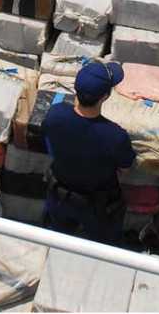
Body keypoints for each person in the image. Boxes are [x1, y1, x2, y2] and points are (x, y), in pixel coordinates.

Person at [41, 60, 135, 243]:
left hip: (60, 197)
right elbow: (125, 169)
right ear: (105, 96)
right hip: (97, 207)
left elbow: (49, 140)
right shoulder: (115, 136)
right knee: (103, 249)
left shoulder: (55, 115)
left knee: (55, 243)